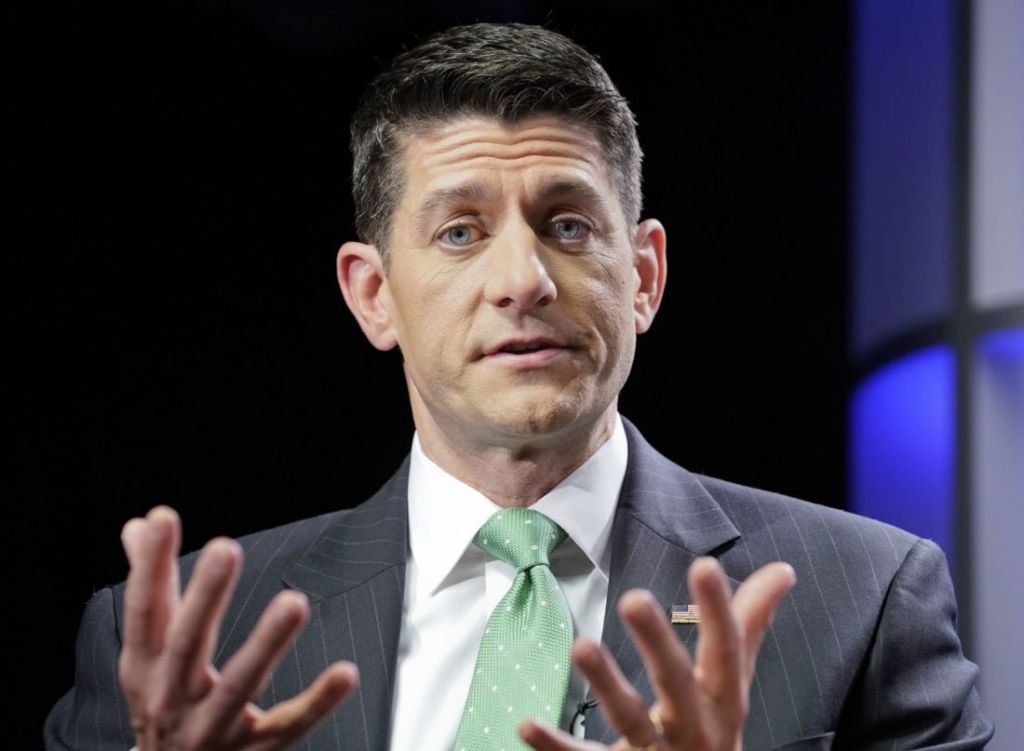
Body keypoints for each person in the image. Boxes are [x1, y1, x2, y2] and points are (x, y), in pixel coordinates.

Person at [45, 22, 993, 751]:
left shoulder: (866, 598)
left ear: (646, 278)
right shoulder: (168, 642)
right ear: (374, 296)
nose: (523, 280)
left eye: (570, 225)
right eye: (460, 231)